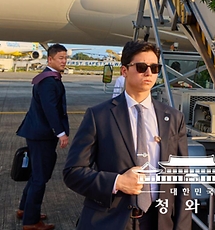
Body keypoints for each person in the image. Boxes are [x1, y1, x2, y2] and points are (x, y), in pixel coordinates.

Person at [64, 41, 191, 230]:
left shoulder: (173, 118)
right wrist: (117, 182)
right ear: (124, 71)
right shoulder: (99, 116)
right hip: (110, 221)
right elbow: (73, 172)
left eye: (154, 68)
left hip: (158, 221)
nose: (149, 73)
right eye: (141, 67)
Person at [16, 44, 70, 230]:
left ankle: (25, 209)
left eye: (65, 58)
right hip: (42, 135)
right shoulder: (48, 81)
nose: (64, 61)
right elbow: (50, 110)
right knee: (40, 177)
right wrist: (61, 133)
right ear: (50, 59)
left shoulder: (47, 78)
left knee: (36, 174)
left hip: (36, 133)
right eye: (60, 58)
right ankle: (31, 222)